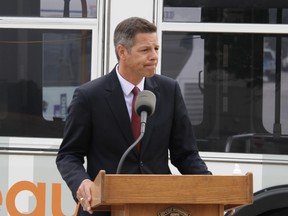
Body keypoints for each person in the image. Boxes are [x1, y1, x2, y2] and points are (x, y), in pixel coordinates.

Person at [56, 16, 212, 216]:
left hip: (158, 208)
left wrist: (212, 189)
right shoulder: (89, 96)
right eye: (145, 50)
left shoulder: (169, 90)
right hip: (105, 209)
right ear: (122, 52)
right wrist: (82, 182)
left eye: (156, 49)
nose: (154, 56)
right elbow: (68, 155)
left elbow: (186, 154)